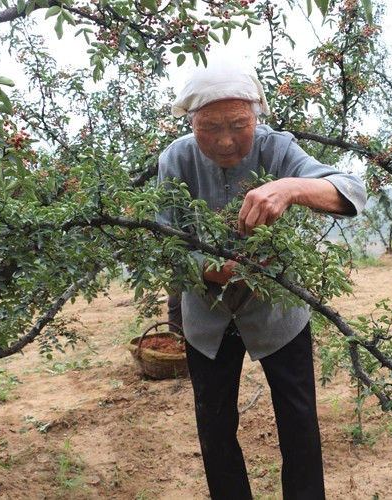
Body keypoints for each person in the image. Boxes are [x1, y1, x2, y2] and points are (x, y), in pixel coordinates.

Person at [156, 64, 366, 499]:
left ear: (257, 117)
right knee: (214, 427)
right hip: (206, 317)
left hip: (278, 312)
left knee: (299, 422)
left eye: (239, 125)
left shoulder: (277, 148)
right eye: (209, 127)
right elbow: (162, 242)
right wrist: (203, 268)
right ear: (190, 122)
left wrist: (289, 188)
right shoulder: (175, 159)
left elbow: (350, 190)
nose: (226, 140)